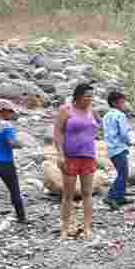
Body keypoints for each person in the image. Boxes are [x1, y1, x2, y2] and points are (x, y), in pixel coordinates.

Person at [53, 82, 100, 239]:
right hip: (70, 156)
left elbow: (96, 128)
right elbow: (58, 132)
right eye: (87, 96)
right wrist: (60, 154)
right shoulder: (66, 110)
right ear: (78, 96)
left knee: (87, 193)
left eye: (91, 96)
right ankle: (65, 228)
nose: (90, 99)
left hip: (88, 156)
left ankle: (87, 227)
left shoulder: (92, 111)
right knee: (68, 195)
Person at [102, 90, 135, 210]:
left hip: (111, 148)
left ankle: (120, 196)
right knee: (123, 173)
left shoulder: (106, 115)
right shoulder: (120, 115)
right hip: (119, 148)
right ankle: (111, 196)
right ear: (115, 103)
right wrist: (130, 141)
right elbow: (123, 133)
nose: (124, 105)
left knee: (122, 172)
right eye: (122, 102)